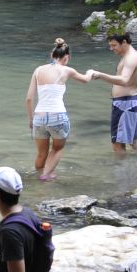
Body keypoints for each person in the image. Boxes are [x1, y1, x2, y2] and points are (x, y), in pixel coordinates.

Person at [25, 39, 94, 181]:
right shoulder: (67, 70)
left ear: (52, 54)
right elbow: (86, 79)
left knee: (41, 154)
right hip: (58, 116)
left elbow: (29, 99)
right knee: (57, 149)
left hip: (39, 117)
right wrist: (90, 71)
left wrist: (31, 119)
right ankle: (46, 176)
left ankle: (39, 179)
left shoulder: (38, 70)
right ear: (67, 57)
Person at [86, 31, 137, 154]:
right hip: (134, 101)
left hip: (125, 105)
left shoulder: (130, 58)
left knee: (118, 143)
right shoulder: (136, 55)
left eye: (114, 45)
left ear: (124, 42)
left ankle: (121, 172)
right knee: (134, 141)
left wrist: (100, 75)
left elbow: (124, 80)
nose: (111, 48)